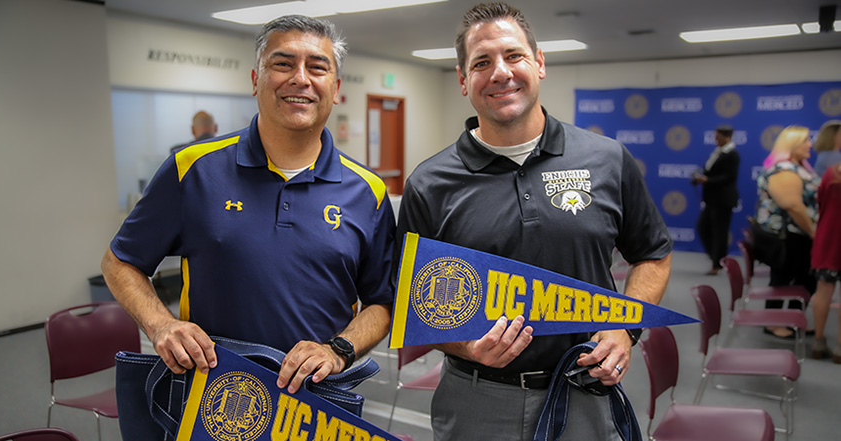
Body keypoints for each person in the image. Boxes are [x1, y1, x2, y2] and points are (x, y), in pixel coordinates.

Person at [394, 3, 672, 440]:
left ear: (539, 63)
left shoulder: (606, 159)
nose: (500, 72)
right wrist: (464, 345)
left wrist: (624, 327)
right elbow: (410, 301)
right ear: (463, 79)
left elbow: (653, 255)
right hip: (475, 401)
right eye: (482, 62)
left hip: (583, 389)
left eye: (514, 55)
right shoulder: (430, 183)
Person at [101, 15, 396, 394]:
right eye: (283, 63)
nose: (300, 79)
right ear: (256, 80)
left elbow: (383, 301)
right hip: (214, 394)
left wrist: (339, 349)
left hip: (319, 399)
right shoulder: (193, 170)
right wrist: (161, 324)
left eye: (317, 67)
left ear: (335, 88)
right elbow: (120, 260)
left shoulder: (367, 191)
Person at [755, 125, 818, 339]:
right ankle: (773, 323)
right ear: (791, 144)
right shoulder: (784, 169)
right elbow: (792, 205)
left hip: (798, 235)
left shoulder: (798, 167)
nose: (810, 144)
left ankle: (793, 320)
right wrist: (812, 232)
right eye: (805, 141)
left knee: (804, 279)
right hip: (789, 235)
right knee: (783, 278)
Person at [691, 124, 740, 275]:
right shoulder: (718, 152)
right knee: (702, 227)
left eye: (718, 137)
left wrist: (707, 180)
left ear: (727, 137)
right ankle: (716, 257)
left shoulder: (732, 154)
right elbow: (709, 171)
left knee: (720, 232)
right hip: (712, 199)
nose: (715, 140)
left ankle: (718, 264)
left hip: (723, 200)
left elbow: (729, 177)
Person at [811, 162, 841, 361]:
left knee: (823, 290)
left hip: (828, 238)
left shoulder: (831, 172)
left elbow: (820, 202)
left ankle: (818, 342)